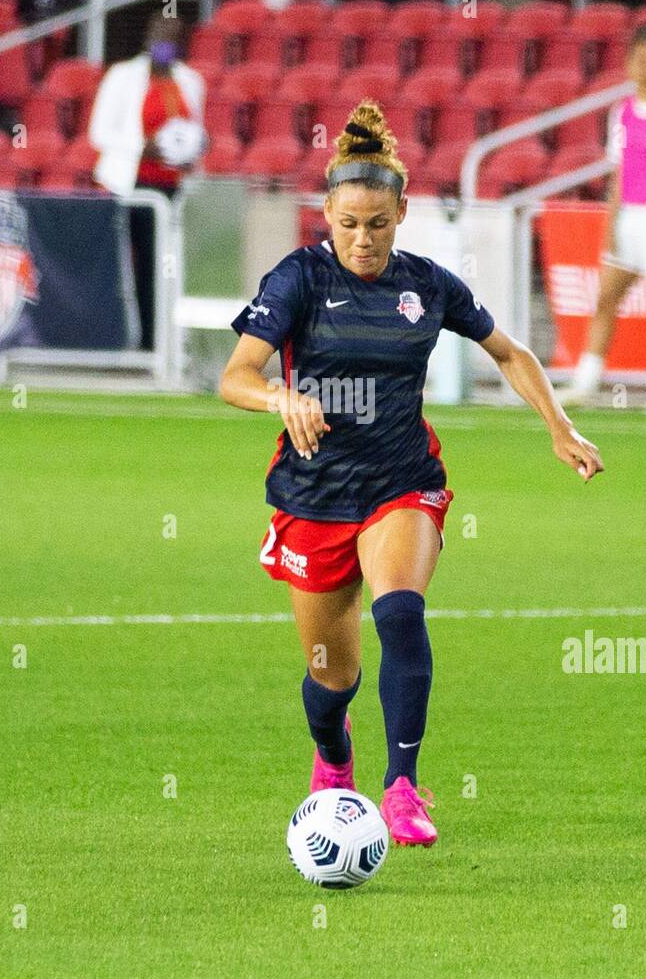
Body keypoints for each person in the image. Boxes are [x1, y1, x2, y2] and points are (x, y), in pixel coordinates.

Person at [219, 103, 604, 847]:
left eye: (380, 224)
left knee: (400, 612)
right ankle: (334, 757)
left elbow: (511, 353)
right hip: (314, 493)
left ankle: (402, 788)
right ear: (327, 213)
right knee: (331, 678)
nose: (363, 239)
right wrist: (280, 396)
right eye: (350, 223)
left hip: (401, 479)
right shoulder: (298, 277)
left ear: (402, 214)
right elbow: (236, 375)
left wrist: (559, 426)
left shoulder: (427, 286)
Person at [559, 23, 646, 413]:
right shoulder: (622, 112)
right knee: (606, 297)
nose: (644, 67)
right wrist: (611, 222)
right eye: (638, 59)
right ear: (628, 63)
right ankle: (586, 382)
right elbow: (618, 172)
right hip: (630, 218)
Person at [88, 12, 206, 349]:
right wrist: (144, 147)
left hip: (174, 185)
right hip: (130, 184)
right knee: (130, 264)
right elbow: (99, 133)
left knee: (164, 265)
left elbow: (193, 129)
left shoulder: (191, 80)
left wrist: (196, 145)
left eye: (173, 35)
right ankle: (129, 338)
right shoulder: (123, 76)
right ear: (148, 38)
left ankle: (162, 341)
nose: (165, 42)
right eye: (159, 34)